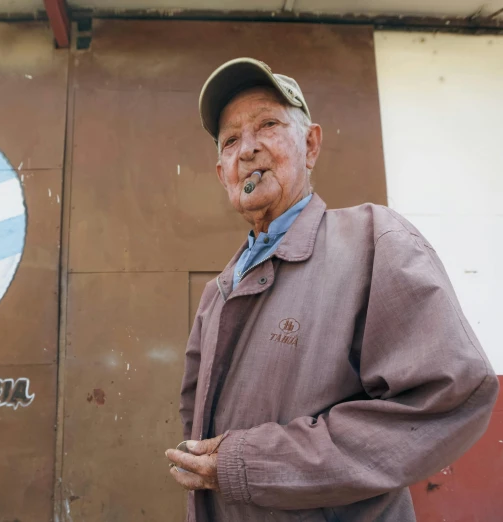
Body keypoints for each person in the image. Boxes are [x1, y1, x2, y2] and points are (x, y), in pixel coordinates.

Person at [165, 58, 498, 521]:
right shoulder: (219, 291)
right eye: (231, 140)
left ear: (311, 143)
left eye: (268, 124)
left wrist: (251, 463)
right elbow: (195, 420)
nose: (248, 149)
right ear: (223, 173)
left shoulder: (374, 241)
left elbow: (449, 395)